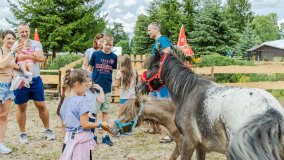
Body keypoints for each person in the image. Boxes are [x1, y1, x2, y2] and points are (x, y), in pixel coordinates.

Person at [12, 22, 55, 144]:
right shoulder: (14, 45)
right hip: (20, 80)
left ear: (29, 31)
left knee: (41, 104)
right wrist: (20, 67)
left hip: (35, 79)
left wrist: (25, 57)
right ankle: (23, 134)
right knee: (22, 106)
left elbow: (40, 58)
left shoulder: (36, 44)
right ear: (18, 32)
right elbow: (11, 63)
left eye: (26, 31)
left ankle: (47, 130)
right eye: (22, 32)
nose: (25, 34)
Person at [57, 69, 111, 159]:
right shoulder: (81, 101)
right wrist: (101, 124)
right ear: (78, 84)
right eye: (85, 86)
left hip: (68, 143)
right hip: (80, 144)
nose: (86, 89)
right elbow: (85, 124)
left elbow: (63, 124)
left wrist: (66, 139)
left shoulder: (65, 101)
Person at [88, 34, 117, 146]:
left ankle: (105, 136)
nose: (108, 47)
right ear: (102, 43)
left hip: (107, 88)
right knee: (94, 113)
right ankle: (92, 136)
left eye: (110, 45)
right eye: (106, 44)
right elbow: (90, 69)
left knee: (105, 112)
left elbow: (113, 71)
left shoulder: (114, 57)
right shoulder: (96, 55)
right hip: (95, 89)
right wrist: (90, 84)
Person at [147, 22, 173, 143]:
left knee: (165, 105)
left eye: (149, 30)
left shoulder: (163, 39)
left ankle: (171, 132)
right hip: (155, 79)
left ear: (156, 29)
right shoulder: (156, 43)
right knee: (154, 102)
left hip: (162, 79)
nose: (148, 33)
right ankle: (155, 127)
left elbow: (168, 51)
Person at [0, 30, 21, 154]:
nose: (11, 41)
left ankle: (1, 144)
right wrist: (13, 52)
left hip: (8, 87)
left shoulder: (12, 54)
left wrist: (16, 77)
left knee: (3, 117)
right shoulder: (3, 52)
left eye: (13, 38)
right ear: (2, 39)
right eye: (8, 38)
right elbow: (1, 65)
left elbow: (9, 68)